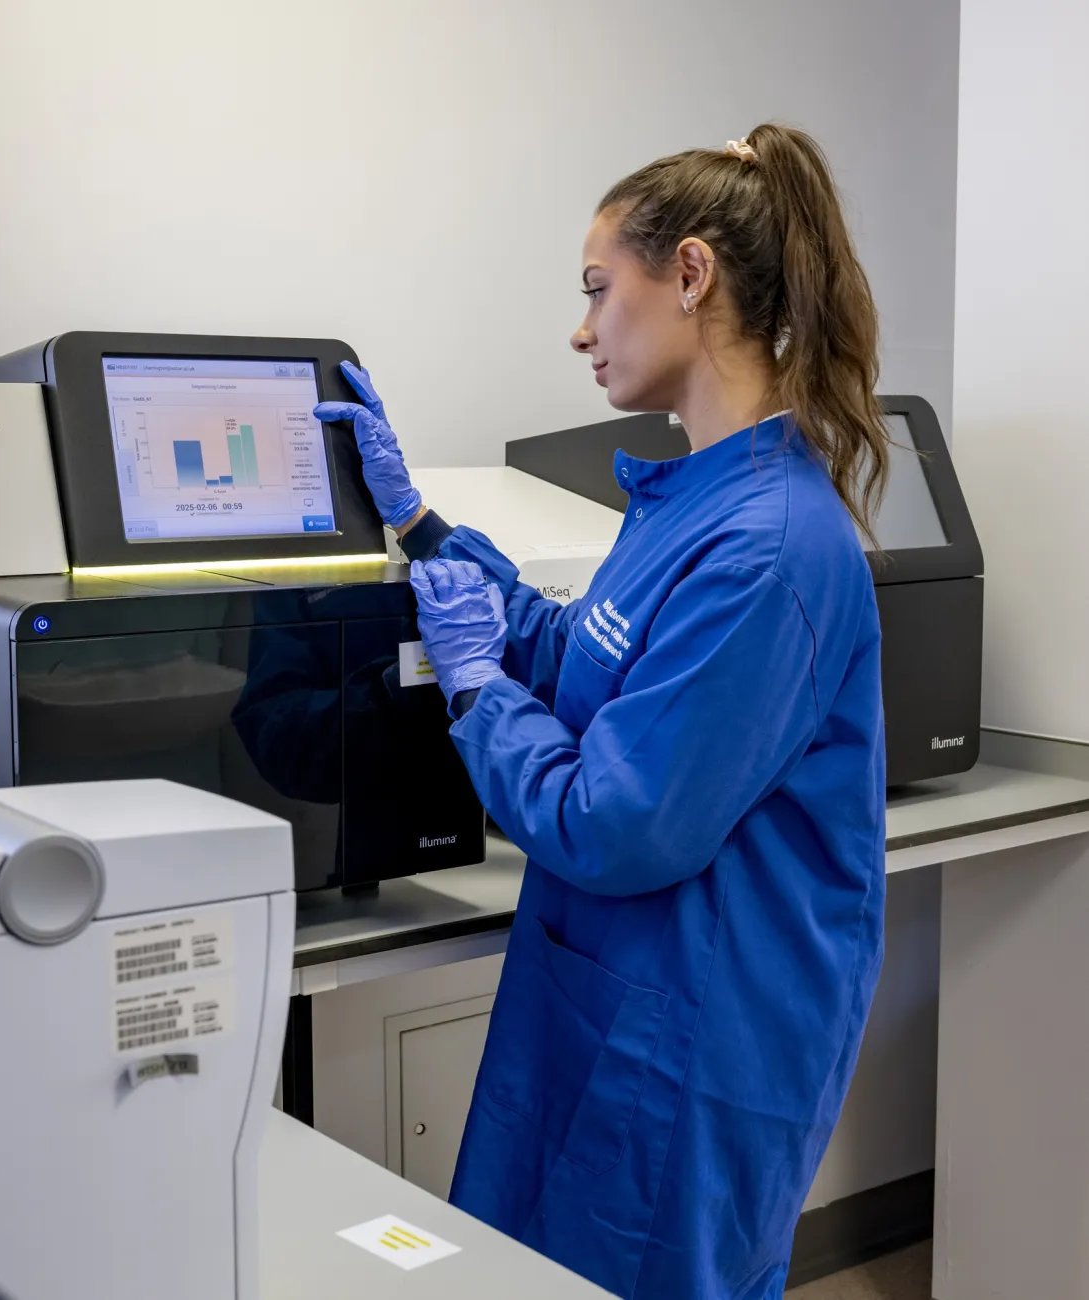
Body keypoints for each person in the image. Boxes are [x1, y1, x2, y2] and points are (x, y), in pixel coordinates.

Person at [314, 123, 887, 1300]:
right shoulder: (688, 497)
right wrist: (420, 523)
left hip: (696, 1037)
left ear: (689, 274)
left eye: (595, 291)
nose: (580, 330)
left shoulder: (769, 546)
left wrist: (473, 689)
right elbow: (581, 653)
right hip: (609, 995)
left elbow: (616, 821)